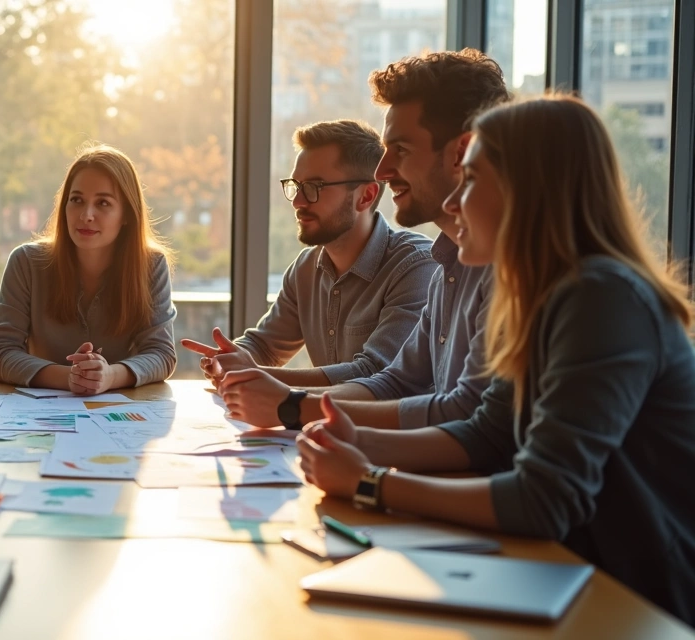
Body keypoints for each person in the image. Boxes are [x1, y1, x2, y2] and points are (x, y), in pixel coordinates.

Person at [297, 95, 695, 625]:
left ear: (529, 191)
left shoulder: (602, 298)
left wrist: (370, 482)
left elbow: (543, 498)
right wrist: (356, 441)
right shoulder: (540, 293)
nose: (455, 203)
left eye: (472, 180)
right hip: (563, 575)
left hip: (635, 601)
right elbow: (488, 434)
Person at [219, 49, 508, 429]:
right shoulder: (446, 269)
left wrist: (292, 407)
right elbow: (396, 382)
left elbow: (470, 422)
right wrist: (260, 383)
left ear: (462, 153)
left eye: (400, 150)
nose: (383, 171)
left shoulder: (488, 269)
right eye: (297, 186)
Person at [182, 119, 433, 388]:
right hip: (329, 426)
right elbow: (264, 346)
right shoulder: (306, 268)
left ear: (366, 196)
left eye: (314, 188)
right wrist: (228, 359)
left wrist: (252, 374)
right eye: (296, 186)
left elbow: (375, 374)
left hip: (396, 429)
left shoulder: (416, 267)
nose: (298, 202)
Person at [0, 143, 176, 394]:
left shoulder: (151, 266)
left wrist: (110, 376)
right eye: (76, 200)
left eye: (103, 203)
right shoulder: (26, 262)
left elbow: (161, 354)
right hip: (41, 417)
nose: (86, 214)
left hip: (117, 417)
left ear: (127, 214)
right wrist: (70, 378)